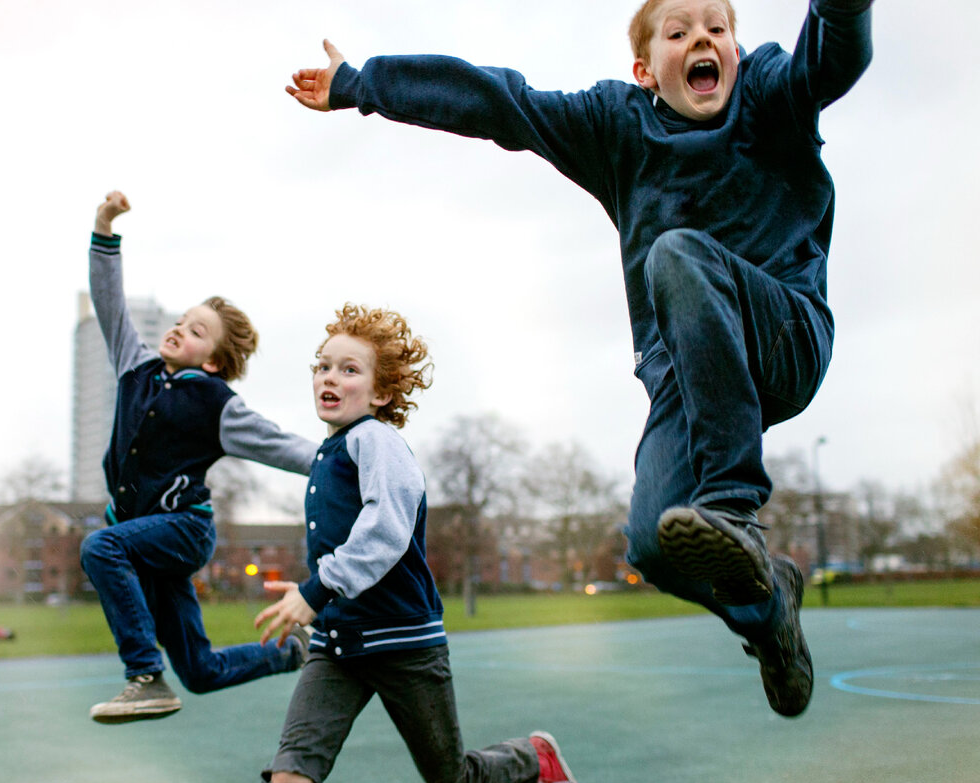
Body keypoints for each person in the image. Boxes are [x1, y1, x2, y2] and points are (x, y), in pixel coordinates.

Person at [285, 0, 874, 718]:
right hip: (688, 380)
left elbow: (834, 57)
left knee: (676, 255)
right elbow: (502, 102)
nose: (702, 41)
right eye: (680, 33)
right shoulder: (616, 126)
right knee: (655, 544)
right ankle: (768, 614)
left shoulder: (769, 92)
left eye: (717, 29)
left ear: (736, 50)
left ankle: (732, 503)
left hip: (785, 337)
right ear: (645, 70)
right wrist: (362, 84)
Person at [254, 304, 582, 783]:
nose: (330, 376)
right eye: (323, 365)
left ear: (381, 392)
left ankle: (533, 758)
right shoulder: (327, 454)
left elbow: (385, 530)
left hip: (405, 643)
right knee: (290, 775)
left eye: (349, 369)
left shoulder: (378, 441)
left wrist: (317, 589)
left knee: (453, 782)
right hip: (338, 645)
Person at [81, 190, 319, 724]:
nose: (178, 329)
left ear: (213, 361)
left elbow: (279, 444)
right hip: (143, 536)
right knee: (200, 670)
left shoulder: (216, 404)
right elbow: (109, 303)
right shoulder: (133, 366)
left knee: (100, 548)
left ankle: (143, 676)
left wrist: (347, 457)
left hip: (183, 530)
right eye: (181, 320)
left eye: (195, 331)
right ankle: (295, 651)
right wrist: (104, 229)